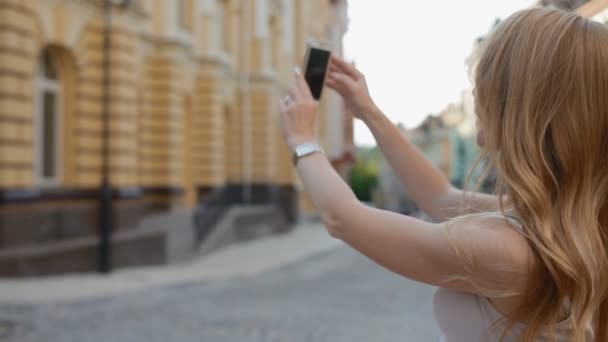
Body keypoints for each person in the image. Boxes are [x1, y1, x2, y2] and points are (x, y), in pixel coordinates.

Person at [278, 7, 607, 342]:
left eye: (487, 78)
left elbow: (344, 219)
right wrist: (368, 111)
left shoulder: (508, 251)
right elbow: (439, 198)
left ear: (519, 106)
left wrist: (302, 140)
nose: (477, 89)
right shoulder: (565, 225)